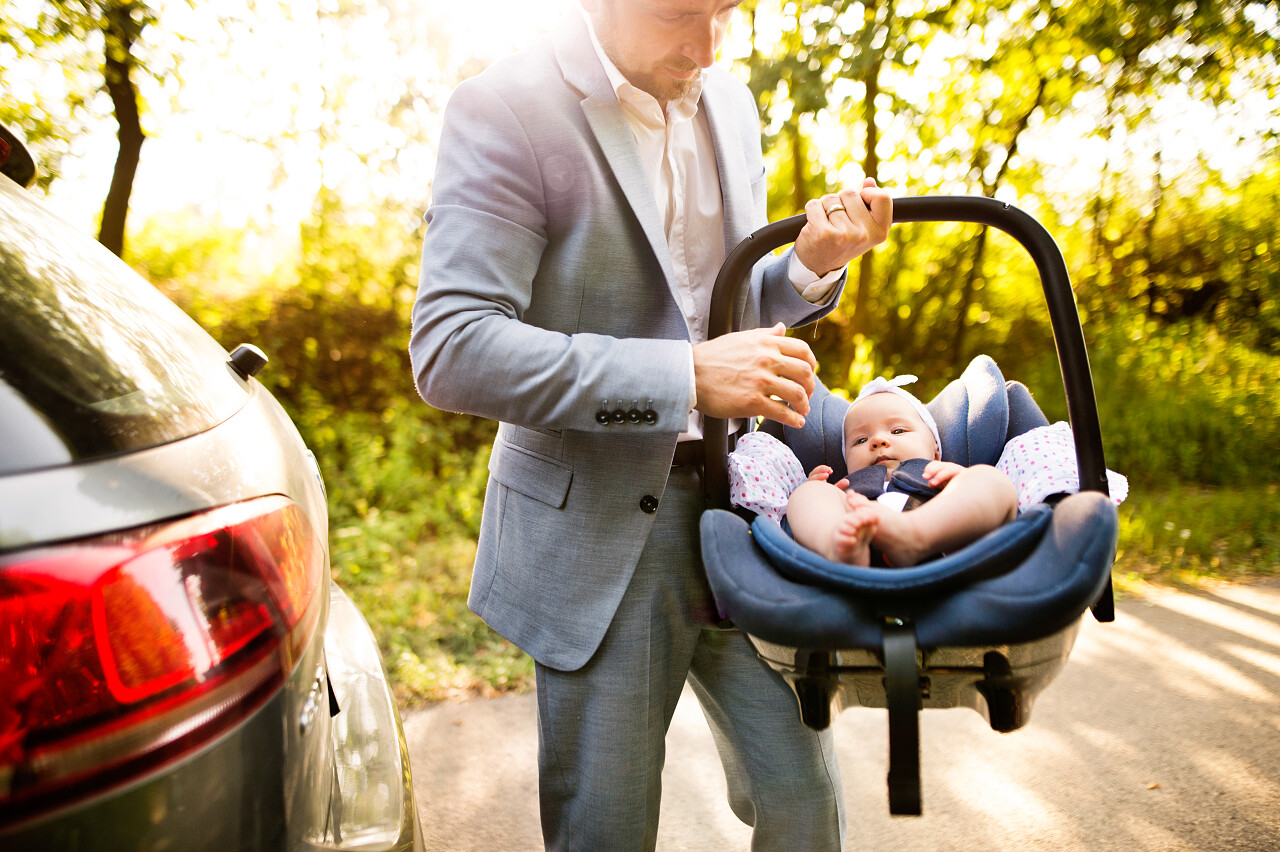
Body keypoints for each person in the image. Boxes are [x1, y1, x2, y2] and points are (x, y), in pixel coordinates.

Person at [409, 0, 892, 849]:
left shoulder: (732, 102)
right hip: (601, 535)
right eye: (679, 14)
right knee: (609, 830)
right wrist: (684, 377)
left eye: (726, 11)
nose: (706, 46)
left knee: (807, 805)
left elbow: (722, 305)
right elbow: (454, 347)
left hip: (750, 515)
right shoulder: (506, 108)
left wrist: (812, 267)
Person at [731, 376, 1018, 567]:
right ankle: (836, 545)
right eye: (860, 440)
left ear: (935, 450)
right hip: (856, 541)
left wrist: (962, 479)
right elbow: (808, 504)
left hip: (950, 551)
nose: (878, 441)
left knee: (989, 478)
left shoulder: (944, 476)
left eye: (898, 431)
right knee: (805, 495)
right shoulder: (842, 490)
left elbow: (979, 492)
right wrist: (814, 488)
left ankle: (915, 534)